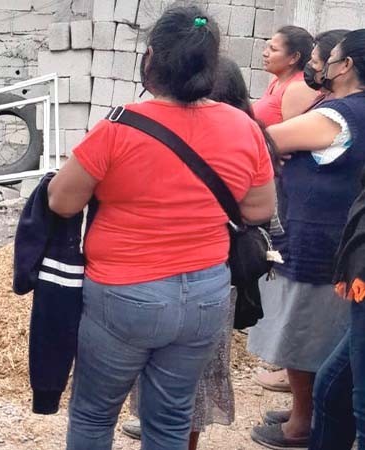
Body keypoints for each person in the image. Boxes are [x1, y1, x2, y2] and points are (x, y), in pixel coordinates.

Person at [48, 6, 276, 449]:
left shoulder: (119, 126)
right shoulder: (244, 128)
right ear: (212, 64)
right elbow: (259, 208)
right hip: (206, 295)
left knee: (95, 414)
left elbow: (61, 201)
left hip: (124, 294)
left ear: (151, 57)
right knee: (171, 420)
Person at [120, 57, 262, 450]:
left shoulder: (235, 140)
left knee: (187, 377)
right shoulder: (247, 137)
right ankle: (166, 428)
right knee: (180, 372)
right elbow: (265, 214)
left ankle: (177, 435)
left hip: (193, 279)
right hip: (204, 280)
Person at [247, 30, 365, 450]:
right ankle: (310, 412)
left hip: (319, 241)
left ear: (346, 65)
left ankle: (302, 424)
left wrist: (267, 144)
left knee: (303, 337)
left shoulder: (341, 114)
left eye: (326, 58)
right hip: (339, 241)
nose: (320, 66)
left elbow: (264, 139)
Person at [253, 26, 319, 127]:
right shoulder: (277, 80)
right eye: (267, 47)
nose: (265, 53)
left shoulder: (299, 88)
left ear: (294, 57)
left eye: (273, 49)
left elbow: (294, 137)